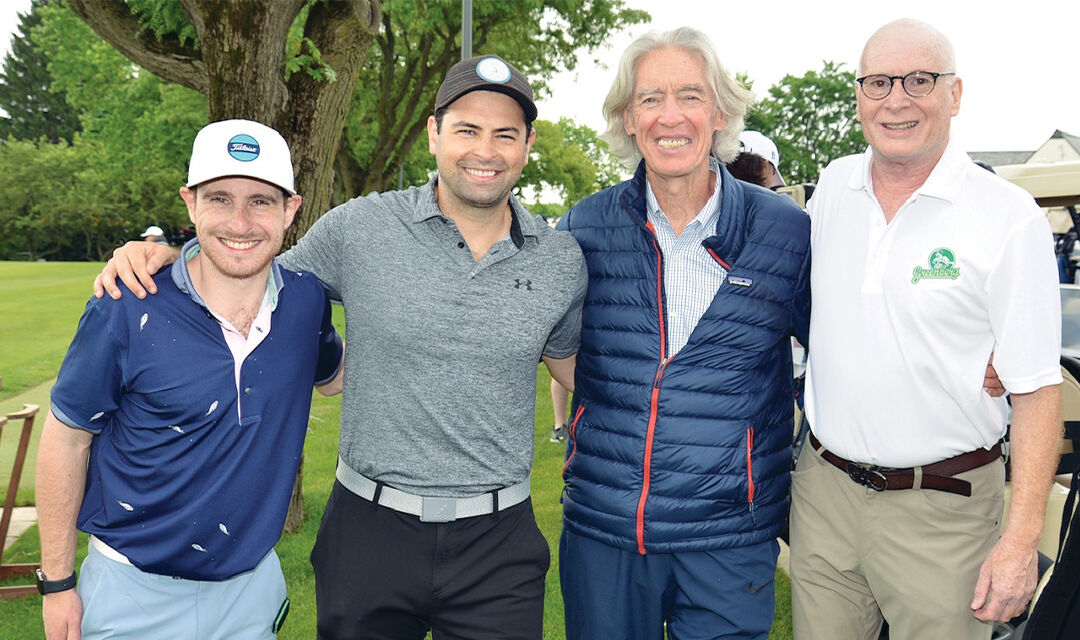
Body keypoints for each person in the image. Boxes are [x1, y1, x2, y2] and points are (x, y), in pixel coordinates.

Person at [93, 54, 586, 640]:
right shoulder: (360, 228)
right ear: (434, 135)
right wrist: (169, 255)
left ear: (527, 144)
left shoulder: (560, 261)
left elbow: (573, 365)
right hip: (368, 531)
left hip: (498, 540)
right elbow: (251, 269)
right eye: (466, 129)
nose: (485, 150)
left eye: (505, 134)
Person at [791, 19, 1063, 640]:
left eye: (920, 80)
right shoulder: (833, 188)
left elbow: (1038, 392)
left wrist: (1021, 543)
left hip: (947, 509)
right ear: (858, 97)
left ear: (955, 94)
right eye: (878, 82)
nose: (897, 100)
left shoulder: (1006, 217)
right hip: (824, 492)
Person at [35, 119, 345, 640]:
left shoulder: (306, 302)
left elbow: (338, 377)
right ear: (190, 203)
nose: (240, 222)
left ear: (291, 209)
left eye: (261, 202)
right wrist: (58, 583)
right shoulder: (126, 306)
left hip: (250, 592)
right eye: (220, 199)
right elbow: (66, 440)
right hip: (130, 591)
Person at [556, 27, 811, 640]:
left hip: (729, 535)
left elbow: (844, 348)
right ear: (627, 117)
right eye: (650, 98)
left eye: (691, 96)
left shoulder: (785, 229)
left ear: (720, 111)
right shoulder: (583, 228)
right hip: (607, 530)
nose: (671, 116)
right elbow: (541, 342)